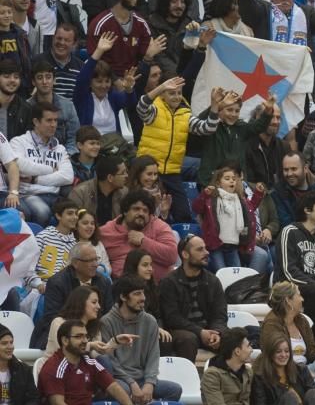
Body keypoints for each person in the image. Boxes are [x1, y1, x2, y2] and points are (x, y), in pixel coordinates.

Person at [38, 319, 140, 405]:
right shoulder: (54, 366)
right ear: (65, 340)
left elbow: (114, 386)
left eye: (86, 336)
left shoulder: (89, 361)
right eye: (78, 337)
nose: (85, 340)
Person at [135, 74, 215, 223]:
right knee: (148, 213)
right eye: (171, 92)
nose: (176, 96)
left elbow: (207, 129)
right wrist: (160, 87)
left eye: (179, 93)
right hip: (150, 171)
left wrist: (215, 108)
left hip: (172, 172)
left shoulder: (185, 113)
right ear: (163, 94)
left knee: (183, 214)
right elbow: (141, 106)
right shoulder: (154, 111)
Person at [100, 275, 182, 403]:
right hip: (120, 379)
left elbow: (153, 356)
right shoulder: (106, 322)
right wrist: (131, 383)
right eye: (137, 294)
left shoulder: (150, 321)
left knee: (174, 390)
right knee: (123, 390)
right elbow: (110, 361)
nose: (143, 298)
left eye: (143, 293)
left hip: (143, 378)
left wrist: (150, 383)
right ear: (123, 297)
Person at [30, 243, 113, 350]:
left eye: (96, 259)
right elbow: (52, 318)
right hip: (63, 337)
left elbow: (107, 315)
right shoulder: (57, 282)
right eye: (90, 261)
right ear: (75, 263)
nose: (96, 264)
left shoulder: (103, 282)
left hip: (94, 335)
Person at [158, 235, 228, 362]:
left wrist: (216, 333)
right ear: (185, 254)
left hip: (208, 331)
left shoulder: (213, 281)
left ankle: (223, 380)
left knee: (235, 337)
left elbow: (220, 315)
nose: (206, 253)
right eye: (200, 249)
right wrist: (200, 332)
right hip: (181, 331)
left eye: (206, 249)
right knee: (188, 339)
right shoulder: (169, 282)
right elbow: (172, 318)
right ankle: (186, 380)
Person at [193, 166, 268, 273]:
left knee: (235, 273)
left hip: (233, 246)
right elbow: (197, 208)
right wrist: (204, 195)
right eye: (227, 179)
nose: (231, 181)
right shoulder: (211, 199)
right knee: (221, 271)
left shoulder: (240, 199)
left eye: (233, 178)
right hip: (215, 246)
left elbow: (251, 208)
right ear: (218, 183)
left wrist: (258, 194)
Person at [274, 191, 315, 320]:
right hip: (289, 286)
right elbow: (288, 271)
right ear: (307, 210)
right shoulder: (290, 231)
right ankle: (303, 328)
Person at [12, 101, 72, 223]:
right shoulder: (19, 142)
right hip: (29, 195)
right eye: (49, 120)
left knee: (73, 213)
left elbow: (67, 176)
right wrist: (50, 170)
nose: (54, 125)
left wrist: (35, 179)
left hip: (54, 196)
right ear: (36, 122)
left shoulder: (59, 148)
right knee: (42, 212)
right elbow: (20, 166)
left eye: (55, 120)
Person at [0, 324, 58, 405]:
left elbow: (34, 398)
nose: (10, 347)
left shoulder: (23, 369)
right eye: (4, 343)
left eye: (11, 342)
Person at [101, 189, 178, 280]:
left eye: (145, 211)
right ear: (125, 211)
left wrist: (144, 241)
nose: (141, 213)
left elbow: (172, 256)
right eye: (136, 209)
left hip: (158, 288)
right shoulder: (106, 232)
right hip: (123, 288)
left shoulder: (159, 226)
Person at [85, 0, 151, 76]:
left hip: (134, 79)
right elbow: (94, 60)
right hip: (107, 82)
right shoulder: (100, 24)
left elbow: (143, 56)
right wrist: (116, 82)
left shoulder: (141, 23)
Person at [272, 151, 315, 236]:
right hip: (296, 240)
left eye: (294, 169)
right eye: (286, 170)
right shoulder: (279, 191)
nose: (289, 174)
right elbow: (286, 223)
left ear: (305, 168)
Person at [27, 59, 80, 154]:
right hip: (33, 157)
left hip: (64, 157)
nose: (44, 81)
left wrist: (63, 159)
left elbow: (73, 140)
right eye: (39, 78)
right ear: (33, 82)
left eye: (48, 77)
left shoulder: (68, 106)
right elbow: (23, 140)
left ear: (54, 80)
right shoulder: (26, 107)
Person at [69, 155, 126, 225]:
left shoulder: (124, 193)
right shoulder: (80, 192)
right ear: (110, 178)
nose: (127, 176)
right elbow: (73, 221)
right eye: (123, 173)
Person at [33, 198, 77, 282]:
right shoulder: (43, 237)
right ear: (58, 216)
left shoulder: (75, 245)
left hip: (63, 289)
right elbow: (28, 268)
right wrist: (37, 284)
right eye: (70, 213)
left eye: (76, 214)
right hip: (40, 287)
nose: (75, 217)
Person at [39, 24, 84, 101]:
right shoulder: (38, 61)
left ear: (74, 44)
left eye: (67, 40)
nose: (62, 43)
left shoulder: (81, 67)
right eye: (59, 38)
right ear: (53, 38)